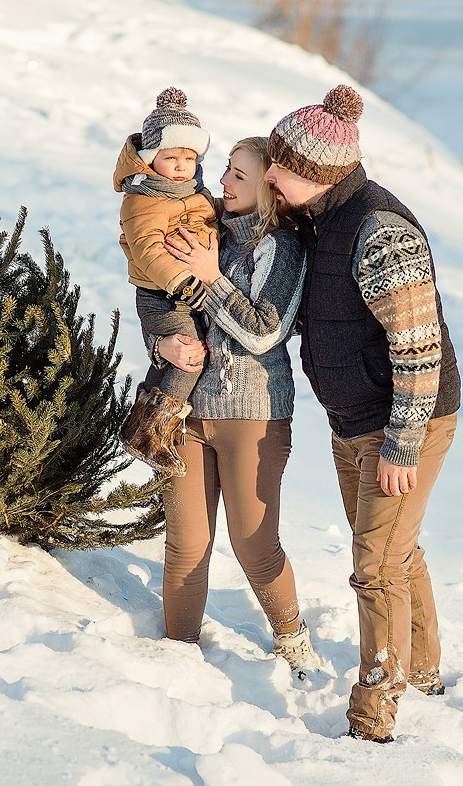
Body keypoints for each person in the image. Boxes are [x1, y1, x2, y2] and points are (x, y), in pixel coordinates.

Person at [264, 86, 462, 741]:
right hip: (353, 419)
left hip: (404, 421)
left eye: (281, 165)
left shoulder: (379, 231)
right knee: (393, 552)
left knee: (375, 567)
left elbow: (418, 348)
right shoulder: (321, 223)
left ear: (318, 173)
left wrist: (403, 444)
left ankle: (373, 717)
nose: (270, 173)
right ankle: (424, 672)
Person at [146, 136, 318, 677]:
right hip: (187, 410)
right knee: (186, 543)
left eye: (238, 176)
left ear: (268, 189)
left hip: (254, 415)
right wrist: (162, 341)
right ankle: (179, 654)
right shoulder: (204, 228)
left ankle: (292, 641)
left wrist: (212, 276)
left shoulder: (282, 248)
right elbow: (157, 297)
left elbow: (264, 333)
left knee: (253, 543)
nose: (222, 181)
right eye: (225, 170)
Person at [114, 87, 217, 476]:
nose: (181, 167)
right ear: (149, 158)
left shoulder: (197, 193)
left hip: (185, 292)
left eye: (189, 158)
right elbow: (147, 251)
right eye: (171, 157)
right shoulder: (142, 199)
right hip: (163, 295)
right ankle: (151, 435)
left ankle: (141, 427)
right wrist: (183, 283)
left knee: (180, 356)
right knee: (189, 356)